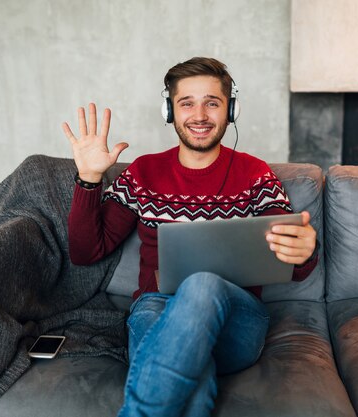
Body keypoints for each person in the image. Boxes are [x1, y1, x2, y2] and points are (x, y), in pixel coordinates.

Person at [62, 57, 318, 417]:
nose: (199, 115)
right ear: (170, 110)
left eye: (212, 103)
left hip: (237, 318)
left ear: (231, 110)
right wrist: (88, 178)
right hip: (157, 309)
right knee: (192, 385)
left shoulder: (255, 174)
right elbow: (86, 252)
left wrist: (305, 250)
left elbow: (292, 257)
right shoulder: (143, 173)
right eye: (187, 103)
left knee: (202, 284)